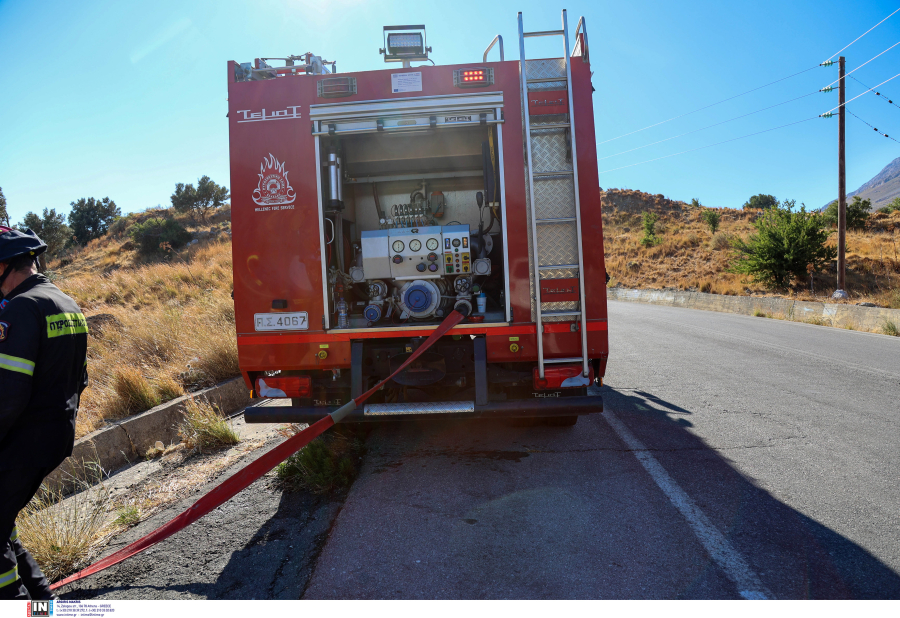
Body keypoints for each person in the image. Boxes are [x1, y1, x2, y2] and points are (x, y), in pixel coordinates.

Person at [0, 227, 88, 600]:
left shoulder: (21, 308)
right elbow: (80, 378)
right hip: (55, 434)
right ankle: (43, 605)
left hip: (24, 438)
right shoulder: (64, 301)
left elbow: (8, 394)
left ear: (3, 266)